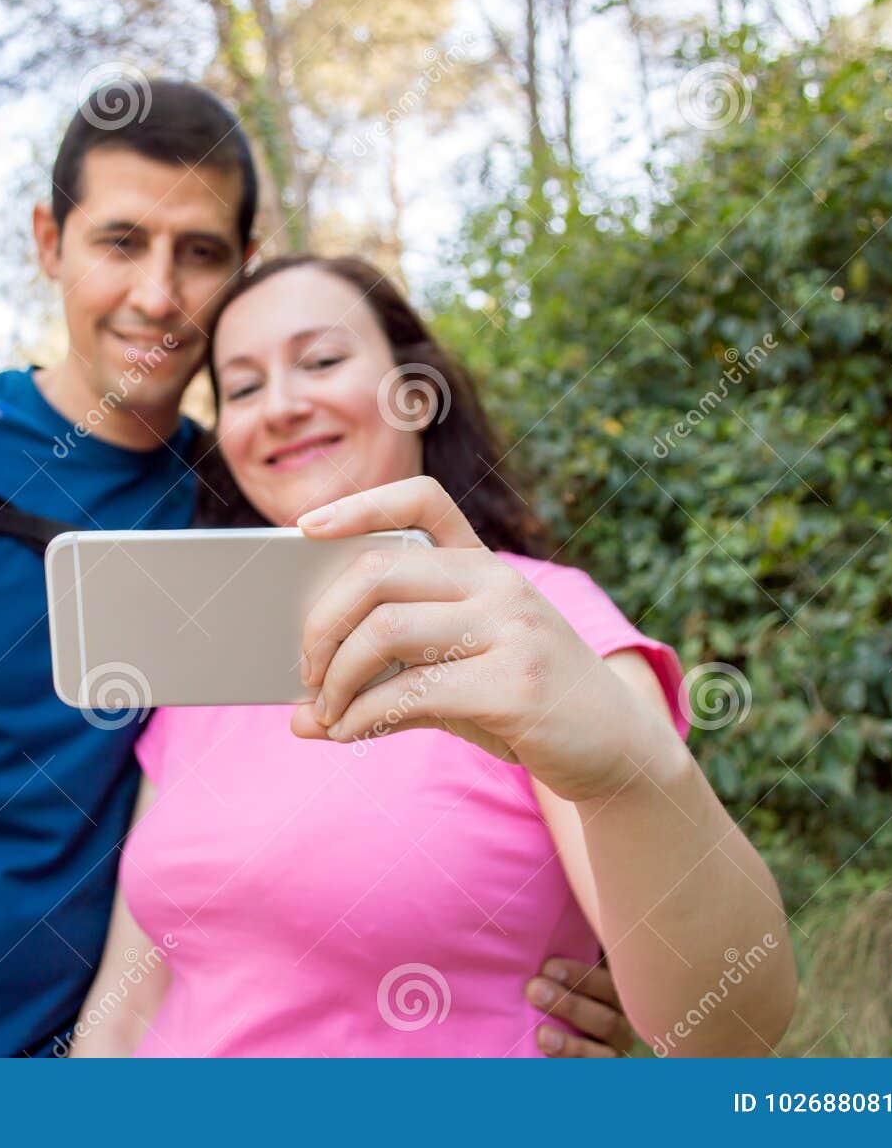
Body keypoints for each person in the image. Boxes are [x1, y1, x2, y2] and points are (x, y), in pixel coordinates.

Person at [0, 82, 634, 1057]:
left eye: (198, 252)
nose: (157, 292)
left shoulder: (250, 505)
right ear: (50, 243)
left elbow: (347, 804)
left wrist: (592, 963)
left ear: (243, 263)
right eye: (121, 242)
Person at [68, 256, 798, 1056]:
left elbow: (729, 1034)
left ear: (416, 395)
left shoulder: (537, 625)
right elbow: (129, 1001)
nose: (279, 406)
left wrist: (636, 781)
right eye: (242, 387)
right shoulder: (197, 657)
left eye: (321, 360)